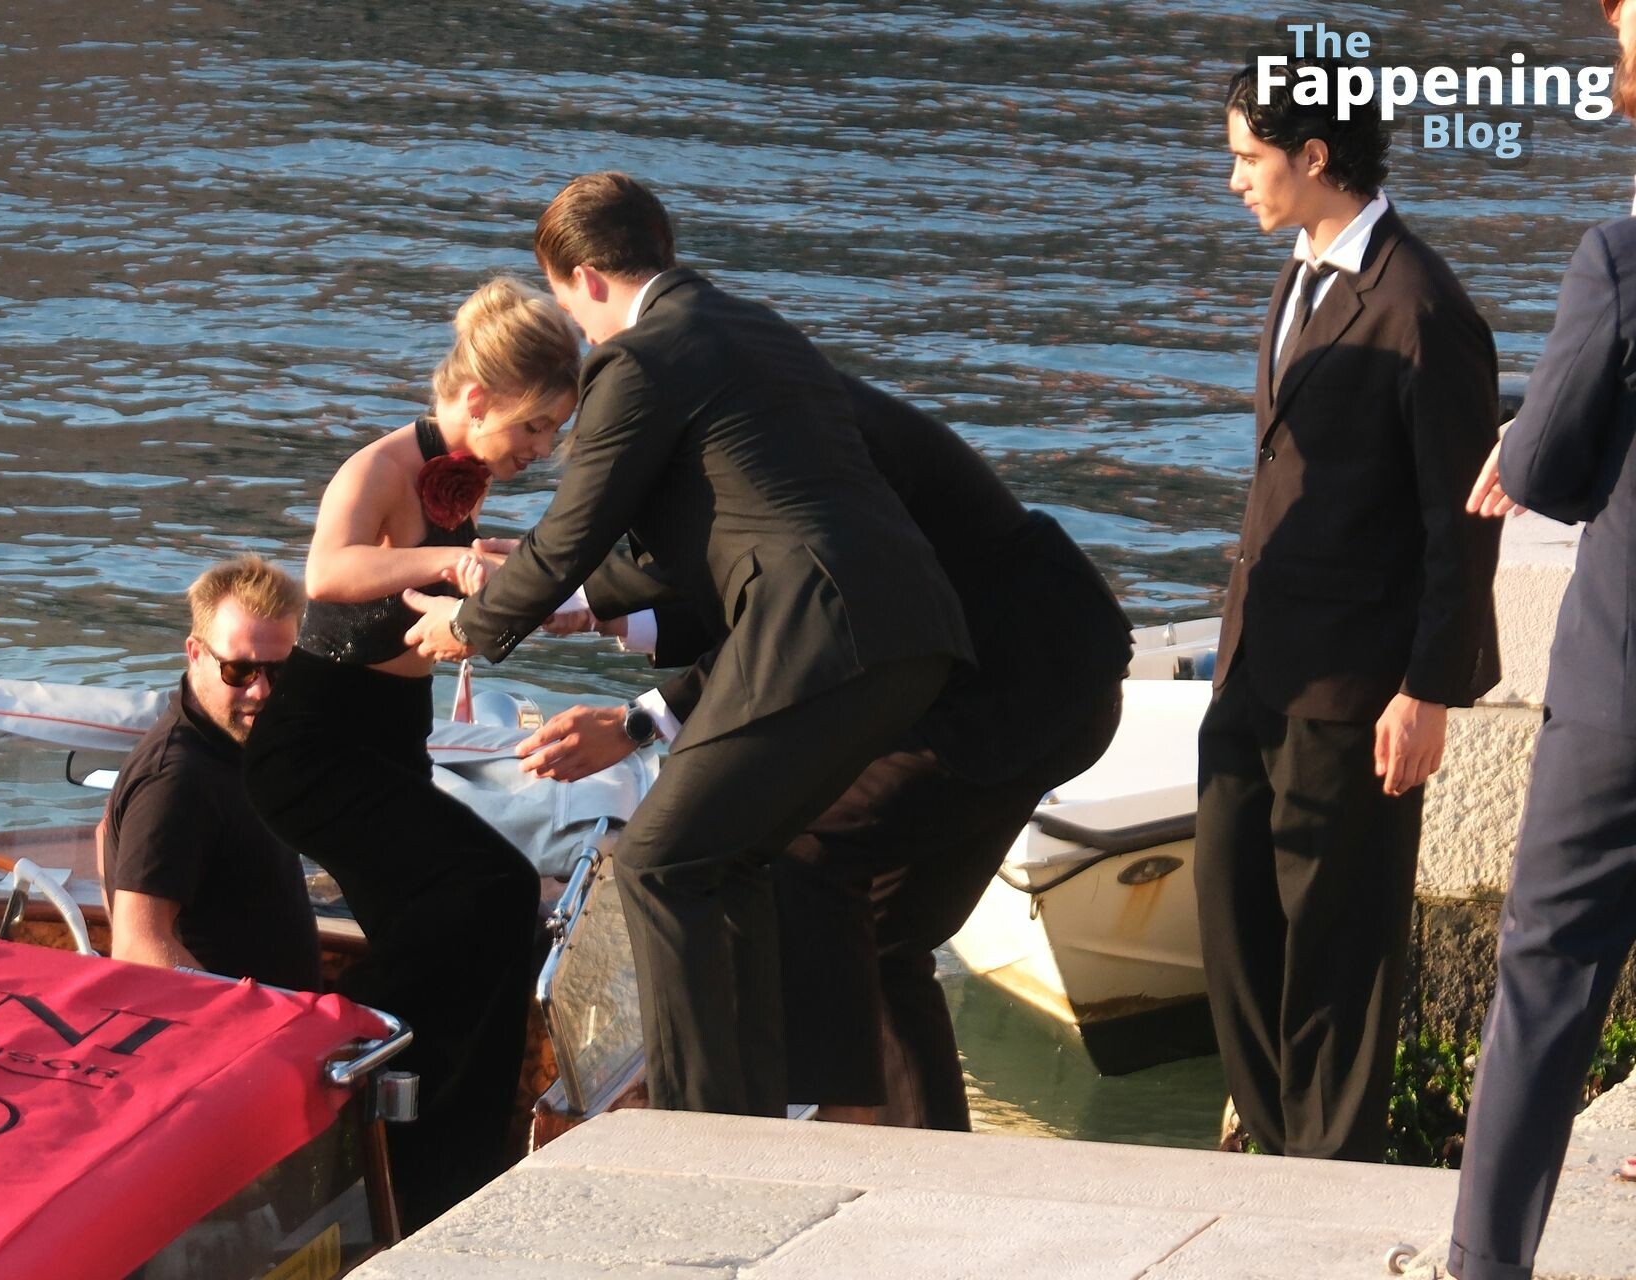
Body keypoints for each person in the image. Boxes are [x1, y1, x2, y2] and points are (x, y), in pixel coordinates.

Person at [403, 172, 974, 1118]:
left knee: (661, 860)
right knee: (728, 858)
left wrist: (469, 625)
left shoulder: (638, 359)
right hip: (911, 630)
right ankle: (742, 1114)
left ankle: (698, 1126)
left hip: (816, 630)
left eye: (568, 308)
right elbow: (702, 531)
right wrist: (571, 597)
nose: (580, 334)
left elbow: (574, 530)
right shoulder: (759, 330)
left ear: (586, 277)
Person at [521, 373, 1132, 1129]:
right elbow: (756, 587)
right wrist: (596, 613)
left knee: (806, 847)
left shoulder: (774, 437)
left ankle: (849, 1129)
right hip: (1043, 669)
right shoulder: (763, 403)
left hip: (1010, 685)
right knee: (881, 934)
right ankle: (918, 1157)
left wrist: (641, 722)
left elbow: (801, 615)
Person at [1200, 63, 1501, 1162]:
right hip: (1256, 664)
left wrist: (1427, 689)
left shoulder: (1422, 306)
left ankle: (1326, 1181)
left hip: (1354, 686)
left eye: (1249, 156)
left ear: (1314, 156)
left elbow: (1460, 522)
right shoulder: (1303, 274)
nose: (1235, 179)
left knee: (1338, 952)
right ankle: (1276, 1153)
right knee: (1233, 916)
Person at [241, 277, 577, 1230]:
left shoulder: (459, 475)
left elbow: (426, 594)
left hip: (389, 741)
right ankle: (298, 1068)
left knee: (479, 937)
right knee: (496, 890)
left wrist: (502, 570)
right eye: (534, 427)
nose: (541, 449)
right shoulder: (382, 465)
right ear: (477, 399)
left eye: (553, 433)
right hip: (314, 749)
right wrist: (448, 561)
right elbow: (329, 573)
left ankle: (442, 1169)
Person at [1450, 2, 1636, 1271]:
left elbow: (1548, 470)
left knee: (1549, 973)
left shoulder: (1619, 259)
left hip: (1625, 691)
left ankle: (1488, 1261)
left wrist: (1524, 440)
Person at [103, 555, 320, 993]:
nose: (261, 690)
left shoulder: (231, 743)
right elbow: (137, 945)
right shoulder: (177, 779)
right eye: (238, 670)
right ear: (196, 654)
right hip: (241, 1027)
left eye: (280, 670)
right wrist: (252, 1017)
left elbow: (103, 831)